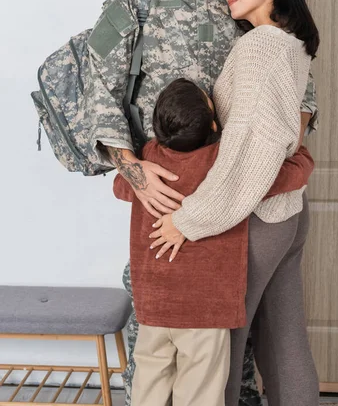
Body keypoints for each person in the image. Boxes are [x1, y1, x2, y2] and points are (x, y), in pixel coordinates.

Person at [85, 0, 319, 406]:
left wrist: (288, 160)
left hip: (240, 189)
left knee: (227, 341)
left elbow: (298, 89)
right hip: (165, 186)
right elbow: (97, 79)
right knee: (158, 335)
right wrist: (134, 173)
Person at [150, 0, 321, 406]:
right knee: (284, 336)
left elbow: (249, 147)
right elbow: (286, 133)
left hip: (258, 218)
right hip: (286, 213)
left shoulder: (261, 47)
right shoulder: (290, 44)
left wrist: (189, 219)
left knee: (219, 339)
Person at [114, 77, 314, 406]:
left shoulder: (147, 163)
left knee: (148, 387)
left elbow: (120, 189)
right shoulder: (225, 164)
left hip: (153, 305)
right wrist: (302, 154)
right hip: (204, 310)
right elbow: (285, 176)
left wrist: (137, 168)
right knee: (201, 393)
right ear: (212, 121)